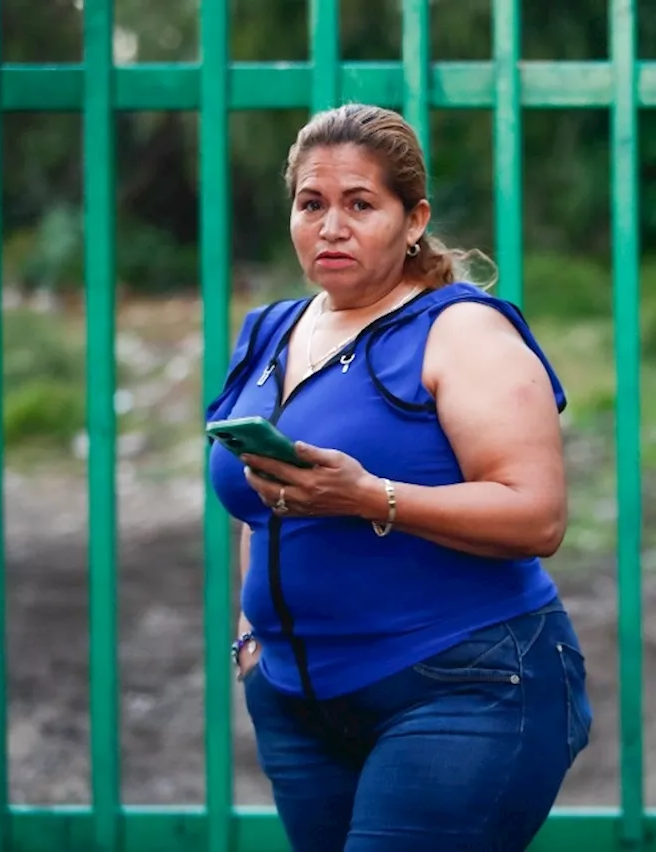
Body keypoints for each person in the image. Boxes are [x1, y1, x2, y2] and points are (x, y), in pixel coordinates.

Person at [205, 103, 593, 852]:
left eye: (360, 204)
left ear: (413, 219)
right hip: (297, 703)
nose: (331, 226)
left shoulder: (461, 329)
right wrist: (252, 643)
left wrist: (368, 497)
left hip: (462, 687)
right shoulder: (268, 331)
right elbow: (259, 504)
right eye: (311, 204)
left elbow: (537, 516)